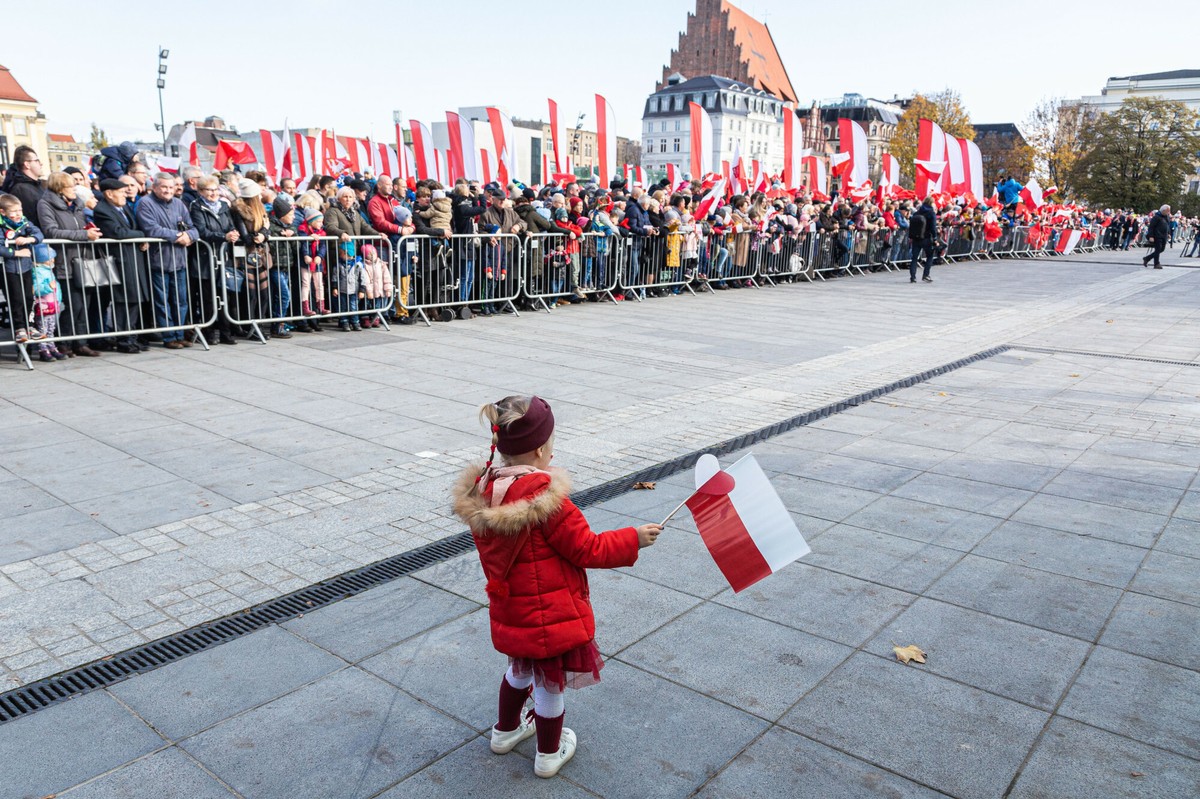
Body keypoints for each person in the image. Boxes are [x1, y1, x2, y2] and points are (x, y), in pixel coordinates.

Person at [451, 395, 661, 779]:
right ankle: (549, 752)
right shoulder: (547, 502)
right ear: (542, 448)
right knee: (550, 683)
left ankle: (505, 731)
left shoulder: (486, 493)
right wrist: (634, 538)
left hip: (513, 608)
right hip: (550, 613)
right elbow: (588, 548)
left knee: (519, 670)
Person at [37, 171, 105, 356]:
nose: (74, 190)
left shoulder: (77, 204)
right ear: (59, 189)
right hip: (65, 261)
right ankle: (64, 341)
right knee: (74, 304)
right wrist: (84, 235)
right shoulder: (46, 204)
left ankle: (80, 342)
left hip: (85, 260)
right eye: (70, 187)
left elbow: (79, 225)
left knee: (85, 304)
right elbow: (52, 232)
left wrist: (89, 229)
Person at [137, 173, 198, 348]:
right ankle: (169, 337)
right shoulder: (146, 203)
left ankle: (180, 333)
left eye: (171, 187)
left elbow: (193, 228)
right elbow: (151, 229)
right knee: (162, 302)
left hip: (179, 261)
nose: (168, 190)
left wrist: (189, 236)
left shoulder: (179, 204)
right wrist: (178, 236)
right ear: (155, 187)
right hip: (159, 261)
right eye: (164, 187)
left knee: (181, 301)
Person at [189, 176, 240, 345]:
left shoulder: (224, 206)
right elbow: (201, 231)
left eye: (215, 189)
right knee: (209, 299)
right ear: (200, 191)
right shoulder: (196, 207)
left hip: (223, 258)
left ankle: (226, 332)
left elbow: (230, 225)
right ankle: (210, 333)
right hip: (205, 260)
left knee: (225, 295)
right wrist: (223, 236)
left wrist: (233, 233)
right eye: (209, 190)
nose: (213, 193)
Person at [0, 193, 44, 346]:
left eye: (20, 210)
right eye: (14, 211)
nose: (18, 214)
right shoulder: (1, 225)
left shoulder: (24, 222)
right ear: (3, 212)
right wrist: (16, 252)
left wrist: (30, 239)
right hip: (9, 269)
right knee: (16, 298)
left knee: (28, 297)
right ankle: (20, 327)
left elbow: (38, 233)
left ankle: (29, 325)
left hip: (25, 266)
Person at [31, 245, 66, 361]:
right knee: (43, 329)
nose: (52, 260)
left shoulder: (48, 270)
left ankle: (51, 347)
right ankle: (43, 350)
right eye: (49, 259)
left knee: (51, 328)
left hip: (51, 304)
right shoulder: (38, 271)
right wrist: (48, 287)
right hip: (43, 306)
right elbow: (36, 288)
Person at [1, 145, 46, 225]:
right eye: (37, 161)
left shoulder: (39, 185)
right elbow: (28, 220)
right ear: (27, 165)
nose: (41, 164)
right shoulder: (21, 189)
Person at [908, 198, 938, 283]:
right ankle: (926, 275)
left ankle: (913, 277)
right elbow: (933, 227)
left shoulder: (917, 212)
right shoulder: (931, 213)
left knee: (914, 258)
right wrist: (935, 238)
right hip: (927, 238)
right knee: (929, 256)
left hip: (916, 238)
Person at [1142, 205, 1171, 269]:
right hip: (1157, 236)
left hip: (1164, 236)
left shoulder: (1166, 217)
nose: (1168, 212)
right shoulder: (1156, 217)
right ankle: (1156, 263)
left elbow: (1167, 225)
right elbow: (1151, 227)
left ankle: (1147, 258)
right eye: (1167, 211)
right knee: (1158, 249)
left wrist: (1168, 233)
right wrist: (1151, 236)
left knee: (1162, 249)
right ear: (1163, 210)